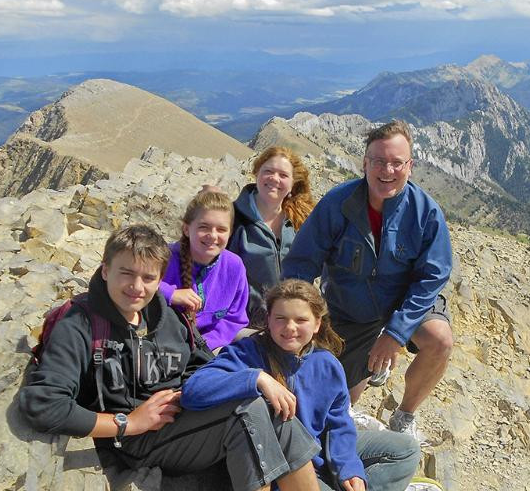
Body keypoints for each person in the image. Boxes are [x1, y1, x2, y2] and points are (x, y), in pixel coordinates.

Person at [19, 224, 321, 491]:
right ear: (105, 270)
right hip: (136, 440)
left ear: (160, 279)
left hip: (186, 419)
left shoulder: (169, 319)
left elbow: (203, 367)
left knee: (275, 408)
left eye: (148, 277)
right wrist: (127, 423)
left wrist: (249, 379)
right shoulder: (79, 324)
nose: (137, 287)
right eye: (126, 273)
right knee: (248, 410)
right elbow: (44, 405)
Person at [282, 120, 454, 440]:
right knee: (341, 400)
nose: (387, 170)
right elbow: (301, 263)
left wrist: (396, 332)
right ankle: (364, 375)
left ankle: (404, 415)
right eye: (378, 161)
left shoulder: (425, 212)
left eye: (396, 162)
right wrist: (299, 315)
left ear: (410, 166)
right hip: (349, 309)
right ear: (364, 163)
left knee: (439, 339)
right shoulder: (338, 204)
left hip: (403, 304)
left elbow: (433, 276)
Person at [181, 279, 420, 491]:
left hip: (319, 453)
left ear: (317, 324)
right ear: (268, 320)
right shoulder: (246, 353)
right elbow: (193, 391)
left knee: (406, 449)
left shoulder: (326, 364)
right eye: (281, 319)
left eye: (301, 320)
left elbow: (338, 424)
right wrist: (255, 379)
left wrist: (349, 466)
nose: (290, 328)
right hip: (279, 469)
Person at [228, 146, 316, 327]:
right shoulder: (232, 217)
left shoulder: (301, 221)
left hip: (293, 325)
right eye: (268, 171)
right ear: (257, 173)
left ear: (293, 184)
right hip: (246, 324)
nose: (274, 179)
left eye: (283, 175)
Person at [159, 190, 249, 352]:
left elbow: (235, 319)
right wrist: (169, 294)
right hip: (165, 344)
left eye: (221, 229)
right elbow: (124, 278)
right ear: (186, 229)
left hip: (211, 344)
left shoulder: (234, 265)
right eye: (204, 227)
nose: (213, 236)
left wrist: (204, 345)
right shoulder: (163, 257)